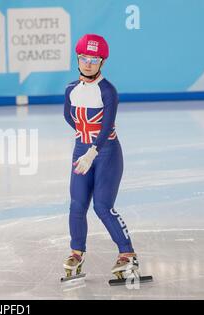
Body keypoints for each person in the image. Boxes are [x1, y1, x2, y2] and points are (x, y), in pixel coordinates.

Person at [62, 34, 138, 280]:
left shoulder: (108, 91)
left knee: (102, 206)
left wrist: (92, 149)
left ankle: (127, 254)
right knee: (77, 205)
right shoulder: (71, 89)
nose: (88, 63)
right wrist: (82, 142)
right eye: (84, 58)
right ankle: (76, 253)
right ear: (78, 58)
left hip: (106, 153)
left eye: (94, 59)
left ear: (102, 62)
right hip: (81, 150)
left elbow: (106, 127)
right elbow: (68, 117)